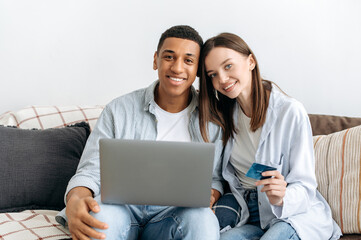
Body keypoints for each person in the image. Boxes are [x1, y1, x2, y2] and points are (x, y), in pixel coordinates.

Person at [55, 25, 224, 240]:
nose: (178, 68)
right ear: (156, 60)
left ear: (198, 68)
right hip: (122, 209)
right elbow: (90, 170)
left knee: (204, 219)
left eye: (188, 60)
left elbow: (215, 180)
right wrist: (75, 200)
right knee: (101, 216)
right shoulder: (118, 109)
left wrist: (210, 195)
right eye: (169, 57)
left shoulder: (213, 120)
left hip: (173, 215)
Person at [198, 32, 342, 240]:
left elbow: (305, 185)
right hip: (250, 214)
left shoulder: (290, 111)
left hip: (291, 215)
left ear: (251, 61)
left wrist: (282, 196)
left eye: (228, 66)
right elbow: (217, 175)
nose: (222, 79)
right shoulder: (223, 116)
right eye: (213, 74)